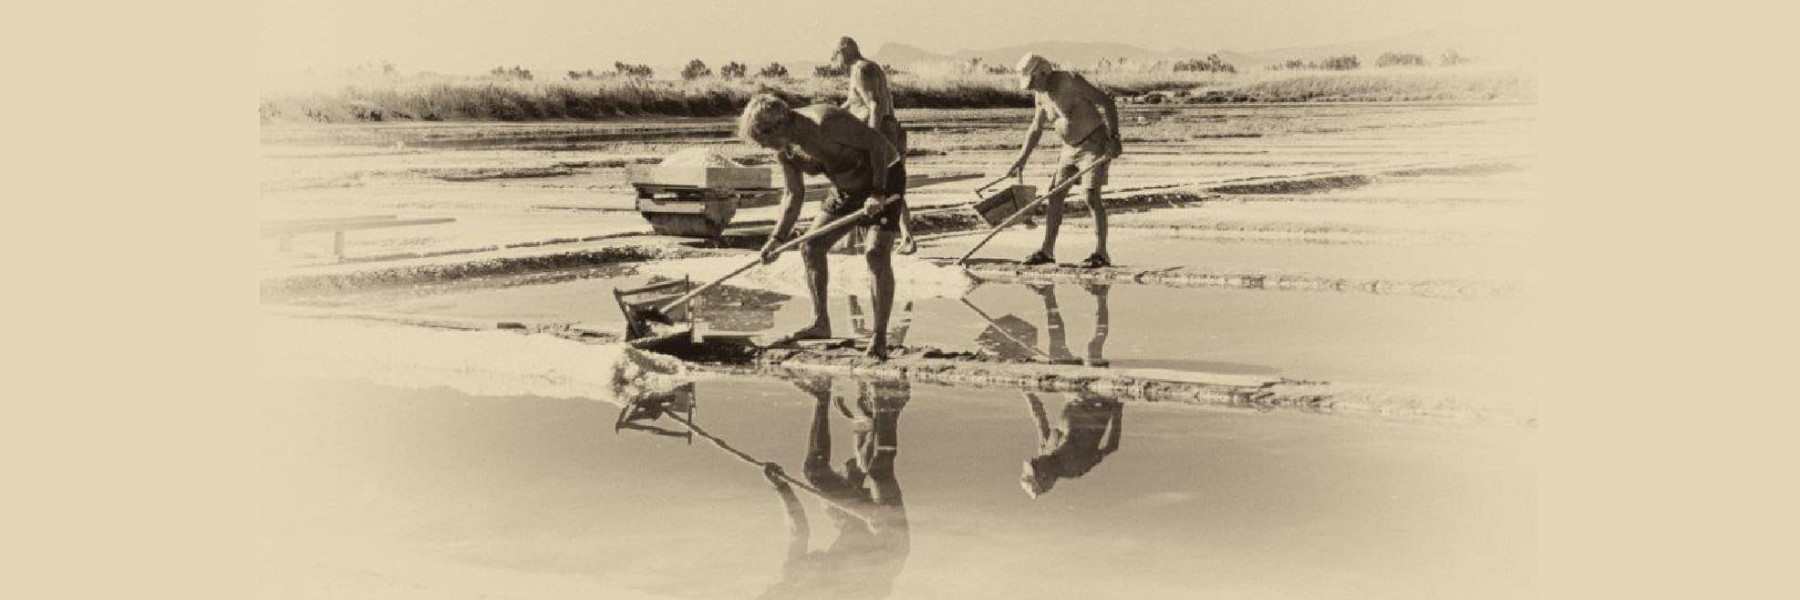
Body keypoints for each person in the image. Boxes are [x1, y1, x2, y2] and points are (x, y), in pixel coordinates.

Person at [739, 94, 904, 360]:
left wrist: (878, 192)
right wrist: (776, 239)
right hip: (845, 187)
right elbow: (793, 195)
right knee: (811, 246)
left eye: (766, 140)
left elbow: (878, 144)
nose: (768, 148)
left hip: (883, 176)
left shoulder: (825, 122)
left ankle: (879, 336)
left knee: (875, 252)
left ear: (779, 125)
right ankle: (820, 323)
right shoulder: (787, 152)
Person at [759, 376, 911, 599]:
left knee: (823, 473)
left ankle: (825, 397)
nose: (773, 588)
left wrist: (781, 488)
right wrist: (877, 529)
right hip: (888, 547)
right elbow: (880, 580)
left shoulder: (793, 574)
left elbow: (798, 532)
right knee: (879, 472)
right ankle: (886, 403)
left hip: (855, 526)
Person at [1005, 53, 1124, 268]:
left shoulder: (1070, 80)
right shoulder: (1040, 95)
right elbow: (1035, 128)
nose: (1032, 87)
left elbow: (1107, 102)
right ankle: (1047, 251)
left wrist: (1114, 138)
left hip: (1094, 142)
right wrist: (1022, 158)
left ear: (1043, 72)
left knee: (1090, 195)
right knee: (1055, 194)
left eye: (1033, 81)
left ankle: (1101, 253)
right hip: (1069, 148)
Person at [832, 37, 917, 255]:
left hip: (882, 131)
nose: (836, 63)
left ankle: (851, 239)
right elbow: (855, 103)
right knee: (890, 183)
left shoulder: (860, 69)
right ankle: (906, 236)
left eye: (836, 56)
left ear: (844, 52)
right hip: (888, 129)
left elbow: (875, 104)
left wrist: (872, 137)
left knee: (861, 182)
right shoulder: (866, 68)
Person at [1021, 391, 1123, 498]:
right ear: (1044, 476)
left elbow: (1040, 419)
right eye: (1035, 466)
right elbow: (1112, 446)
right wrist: (1117, 412)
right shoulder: (1075, 466)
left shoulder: (1045, 451)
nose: (1033, 459)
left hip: (1073, 394)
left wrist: (1027, 393)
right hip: (1099, 399)